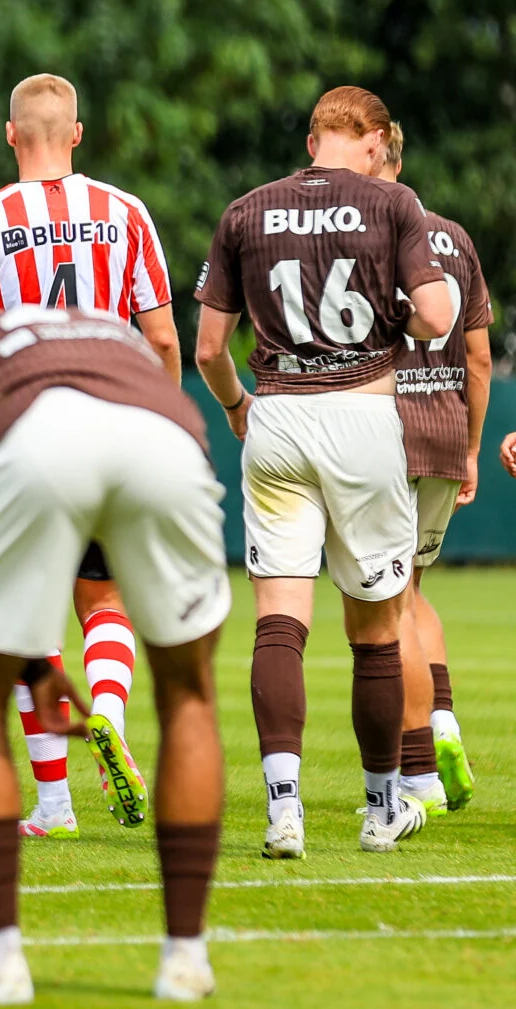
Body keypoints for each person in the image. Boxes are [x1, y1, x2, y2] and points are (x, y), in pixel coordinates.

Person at [0, 306, 230, 1003]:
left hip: (36, 442)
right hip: (167, 441)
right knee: (189, 697)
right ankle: (186, 960)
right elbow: (182, 404)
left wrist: (21, 658)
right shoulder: (115, 335)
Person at [194, 85, 453, 858]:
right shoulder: (392, 202)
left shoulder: (246, 210)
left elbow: (208, 348)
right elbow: (437, 316)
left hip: (276, 416)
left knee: (279, 621)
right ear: (372, 139)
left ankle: (284, 810)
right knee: (374, 630)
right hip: (364, 418)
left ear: (314, 139)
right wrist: (387, 311)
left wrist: (236, 407)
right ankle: (381, 809)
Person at [0, 73, 180, 838]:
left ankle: (54, 805)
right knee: (104, 601)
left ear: (11, 135)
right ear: (77, 134)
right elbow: (162, 336)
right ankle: (108, 712)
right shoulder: (126, 211)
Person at [376, 123, 489, 815]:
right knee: (413, 590)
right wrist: (471, 448)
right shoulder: (454, 236)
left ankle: (416, 768)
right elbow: (480, 357)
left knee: (387, 603)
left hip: (382, 432)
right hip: (446, 432)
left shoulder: (363, 228)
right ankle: (443, 722)